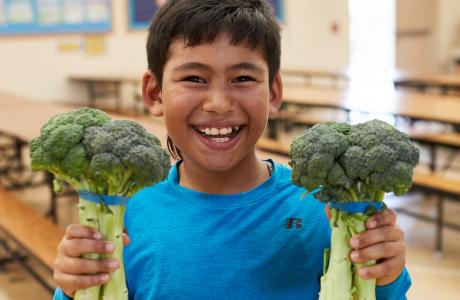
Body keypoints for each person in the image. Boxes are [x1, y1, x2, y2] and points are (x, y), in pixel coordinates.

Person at [53, 0, 411, 299]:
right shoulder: (123, 211)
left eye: (242, 78)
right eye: (194, 78)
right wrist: (73, 287)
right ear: (154, 93)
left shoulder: (325, 208)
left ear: (273, 93)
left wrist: (386, 274)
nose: (219, 103)